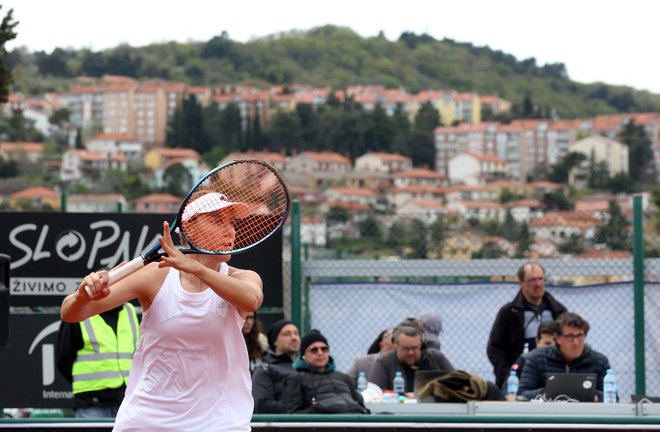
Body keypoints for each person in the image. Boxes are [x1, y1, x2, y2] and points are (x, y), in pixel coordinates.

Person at [59, 194, 263, 431]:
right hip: (148, 421)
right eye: (218, 221)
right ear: (189, 229)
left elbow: (252, 299)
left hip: (220, 423)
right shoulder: (155, 276)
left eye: (232, 223)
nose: (230, 231)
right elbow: (70, 313)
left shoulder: (243, 277)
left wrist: (197, 268)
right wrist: (83, 295)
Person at [487, 262, 568, 387]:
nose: (538, 284)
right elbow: (494, 349)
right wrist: (508, 375)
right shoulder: (509, 312)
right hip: (519, 378)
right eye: (532, 280)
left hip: (553, 378)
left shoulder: (558, 311)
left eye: (541, 279)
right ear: (520, 283)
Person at [56, 304, 139, 418]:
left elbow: (138, 355)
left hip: (126, 402)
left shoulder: (129, 310)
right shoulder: (78, 310)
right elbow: (63, 360)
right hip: (90, 403)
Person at [518, 312, 612, 401]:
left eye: (580, 336)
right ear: (558, 338)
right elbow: (521, 394)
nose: (576, 342)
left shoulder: (599, 361)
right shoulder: (537, 358)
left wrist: (593, 395)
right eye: (570, 337)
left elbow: (613, 397)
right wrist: (546, 393)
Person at [280, 329, 369, 414]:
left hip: (356, 421)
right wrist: (319, 409)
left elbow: (361, 405)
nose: (320, 353)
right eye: (314, 350)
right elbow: (292, 415)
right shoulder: (296, 378)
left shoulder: (343, 377)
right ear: (304, 355)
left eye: (324, 349)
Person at [367, 320, 454, 396]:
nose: (410, 352)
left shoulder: (436, 359)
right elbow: (373, 393)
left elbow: (458, 386)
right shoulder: (383, 362)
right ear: (395, 345)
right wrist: (403, 396)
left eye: (415, 348)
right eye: (405, 348)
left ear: (422, 345)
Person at [252, 319, 301, 413]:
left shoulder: (308, 367)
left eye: (296, 333)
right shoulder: (265, 370)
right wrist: (294, 410)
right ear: (274, 341)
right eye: (287, 334)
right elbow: (262, 405)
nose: (294, 337)